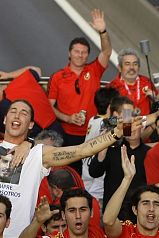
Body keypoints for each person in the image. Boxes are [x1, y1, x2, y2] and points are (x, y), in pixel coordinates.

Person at [0, 77, 136, 238]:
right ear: (4, 120)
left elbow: (82, 150)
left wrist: (116, 134)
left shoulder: (39, 155)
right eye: (13, 112)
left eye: (24, 113)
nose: (17, 115)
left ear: (31, 124)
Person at [48, 10, 113, 155]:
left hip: (94, 132)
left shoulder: (95, 70)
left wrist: (103, 32)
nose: (80, 55)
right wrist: (68, 118)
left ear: (88, 55)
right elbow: (49, 106)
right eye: (76, 51)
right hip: (66, 134)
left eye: (84, 52)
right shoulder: (57, 77)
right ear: (69, 53)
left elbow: (107, 52)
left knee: (92, 173)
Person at [88, 96, 150, 220]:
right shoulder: (112, 149)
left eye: (134, 125)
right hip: (114, 213)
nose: (130, 129)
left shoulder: (149, 153)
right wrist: (104, 144)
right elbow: (94, 172)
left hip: (140, 214)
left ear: (142, 127)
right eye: (128, 125)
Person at [81, 87, 119, 204]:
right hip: (97, 185)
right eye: (117, 104)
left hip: (88, 177)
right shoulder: (105, 124)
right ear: (110, 106)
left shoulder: (93, 119)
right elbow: (127, 126)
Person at [108, 48, 159, 116]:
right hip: (125, 124)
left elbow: (158, 102)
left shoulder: (146, 82)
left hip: (147, 124)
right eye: (127, 64)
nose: (132, 67)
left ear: (139, 67)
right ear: (120, 67)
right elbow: (109, 114)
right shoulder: (112, 87)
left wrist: (155, 99)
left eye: (135, 64)